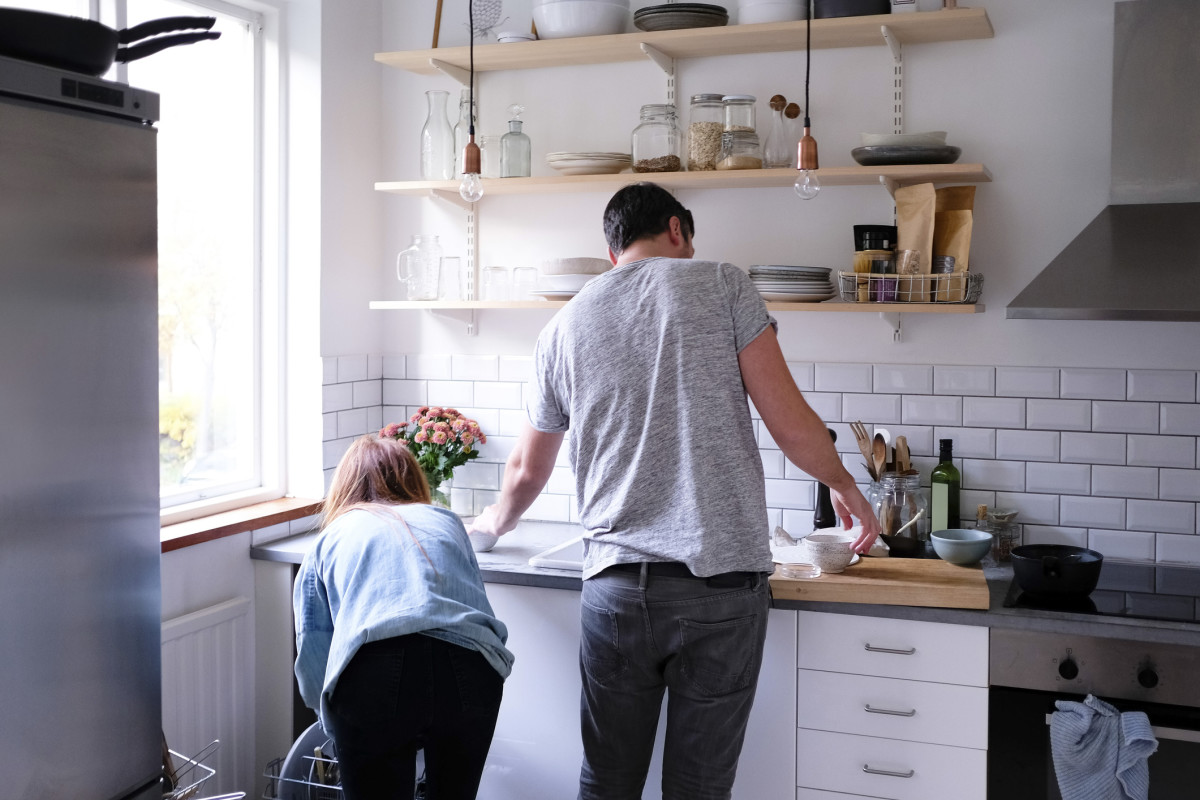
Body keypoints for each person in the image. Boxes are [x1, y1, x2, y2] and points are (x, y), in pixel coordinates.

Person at [470, 181, 880, 799]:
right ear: (676, 229)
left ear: (612, 252)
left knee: (606, 782)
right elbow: (788, 420)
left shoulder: (563, 325)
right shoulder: (723, 284)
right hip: (721, 588)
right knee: (698, 789)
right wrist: (843, 482)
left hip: (615, 591)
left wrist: (487, 527)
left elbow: (527, 472)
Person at [294, 434, 514, 800]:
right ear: (412, 478)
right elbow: (475, 602)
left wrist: (333, 720)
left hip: (374, 670)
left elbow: (315, 646)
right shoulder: (446, 520)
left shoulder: (331, 537)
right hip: (470, 665)